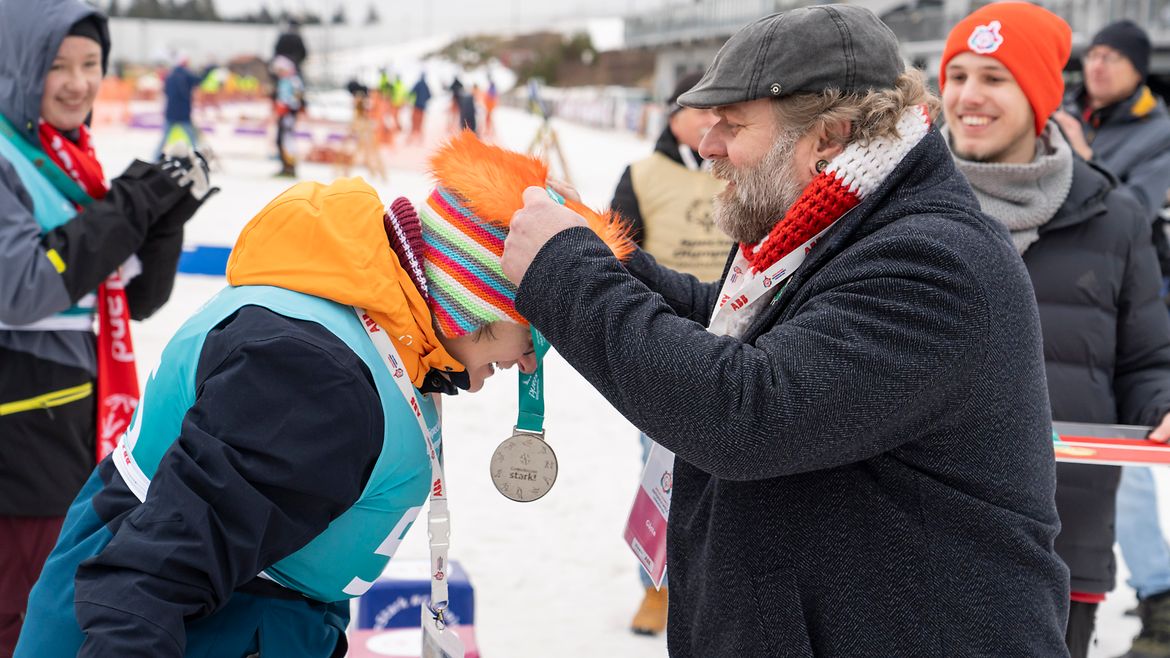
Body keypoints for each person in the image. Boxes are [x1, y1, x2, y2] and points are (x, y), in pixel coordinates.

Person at [501, 5, 1069, 655]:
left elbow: (747, 411)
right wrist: (593, 248)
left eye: (732, 125)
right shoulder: (843, 229)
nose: (707, 145)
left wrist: (567, 274)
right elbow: (722, 324)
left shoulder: (936, 264)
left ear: (827, 137)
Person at [15, 134, 631, 657]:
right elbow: (150, 580)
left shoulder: (374, 324)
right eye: (537, 338)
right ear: (476, 304)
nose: (528, 362)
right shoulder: (316, 381)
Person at [938, 5, 1170, 657]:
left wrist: (1162, 404)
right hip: (915, 532)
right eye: (956, 75)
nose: (968, 96)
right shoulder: (899, 206)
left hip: (1060, 539)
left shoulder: (1114, 216)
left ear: (1040, 93)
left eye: (995, 78)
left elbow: (1149, 358)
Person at [0, 1, 215, 655]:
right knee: (23, 613)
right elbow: (22, 289)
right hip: (20, 435)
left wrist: (164, 220)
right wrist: (131, 203)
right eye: (56, 65)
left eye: (91, 64)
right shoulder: (9, 160)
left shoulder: (68, 156)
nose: (77, 83)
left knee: (58, 607)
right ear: (18, 65)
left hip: (80, 424)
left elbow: (131, 299)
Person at [608, 70, 728, 636]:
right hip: (670, 342)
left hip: (740, 336)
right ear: (672, 113)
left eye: (719, 109)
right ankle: (655, 587)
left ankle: (715, 586)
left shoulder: (745, 164)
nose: (711, 120)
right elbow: (618, 258)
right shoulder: (641, 174)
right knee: (663, 468)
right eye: (699, 108)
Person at [154, 54, 209, 160]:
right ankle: (197, 158)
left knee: (164, 139)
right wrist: (207, 69)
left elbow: (165, 92)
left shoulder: (170, 76)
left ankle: (155, 158)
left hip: (170, 113)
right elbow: (199, 80)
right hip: (183, 114)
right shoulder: (187, 75)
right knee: (192, 138)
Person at [272, 55, 303, 178]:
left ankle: (290, 167)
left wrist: (288, 109)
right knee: (280, 140)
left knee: (287, 140)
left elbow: (296, 99)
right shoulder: (283, 81)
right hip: (282, 114)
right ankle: (284, 165)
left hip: (288, 114)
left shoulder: (294, 81)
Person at [409, 73, 431, 145]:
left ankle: (411, 139)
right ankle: (420, 140)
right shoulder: (426, 85)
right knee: (420, 123)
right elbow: (430, 95)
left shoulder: (418, 84)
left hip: (416, 106)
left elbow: (411, 92)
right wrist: (424, 100)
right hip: (423, 107)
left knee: (414, 122)